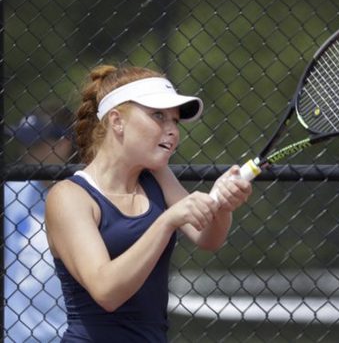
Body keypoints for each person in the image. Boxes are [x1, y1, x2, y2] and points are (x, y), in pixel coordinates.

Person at [44, 64, 252, 342]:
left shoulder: (157, 177)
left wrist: (223, 206)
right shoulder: (68, 197)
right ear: (117, 121)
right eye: (158, 116)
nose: (173, 131)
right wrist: (166, 221)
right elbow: (106, 291)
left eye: (175, 121)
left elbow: (207, 237)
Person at [4, 104, 75, 342]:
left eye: (36, 144)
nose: (27, 152)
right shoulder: (12, 192)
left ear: (64, 143)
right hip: (15, 336)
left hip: (68, 334)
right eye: (24, 144)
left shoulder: (86, 198)